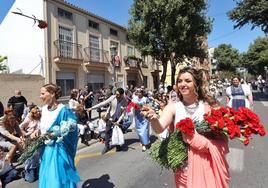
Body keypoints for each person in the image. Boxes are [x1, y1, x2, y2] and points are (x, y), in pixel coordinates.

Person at [141, 67, 230, 188]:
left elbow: (222, 137)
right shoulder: (173, 107)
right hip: (183, 167)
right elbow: (159, 128)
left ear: (196, 84)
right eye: (179, 81)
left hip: (205, 163)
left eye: (187, 81)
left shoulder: (209, 107)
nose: (182, 84)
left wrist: (202, 142)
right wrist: (154, 118)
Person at [38, 83, 80, 188]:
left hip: (59, 151)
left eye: (43, 93)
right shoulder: (43, 109)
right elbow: (42, 128)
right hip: (45, 150)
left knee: (57, 179)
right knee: (47, 177)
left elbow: (72, 128)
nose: (40, 96)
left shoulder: (63, 110)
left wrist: (56, 133)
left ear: (52, 94)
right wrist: (36, 132)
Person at [88, 88, 128, 154]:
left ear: (121, 95)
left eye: (118, 94)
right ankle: (107, 146)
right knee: (107, 131)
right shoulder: (113, 97)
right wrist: (92, 108)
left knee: (117, 132)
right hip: (111, 118)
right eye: (116, 93)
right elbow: (103, 103)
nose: (116, 95)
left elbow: (124, 113)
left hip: (118, 119)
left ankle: (118, 146)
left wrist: (118, 121)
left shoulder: (124, 101)